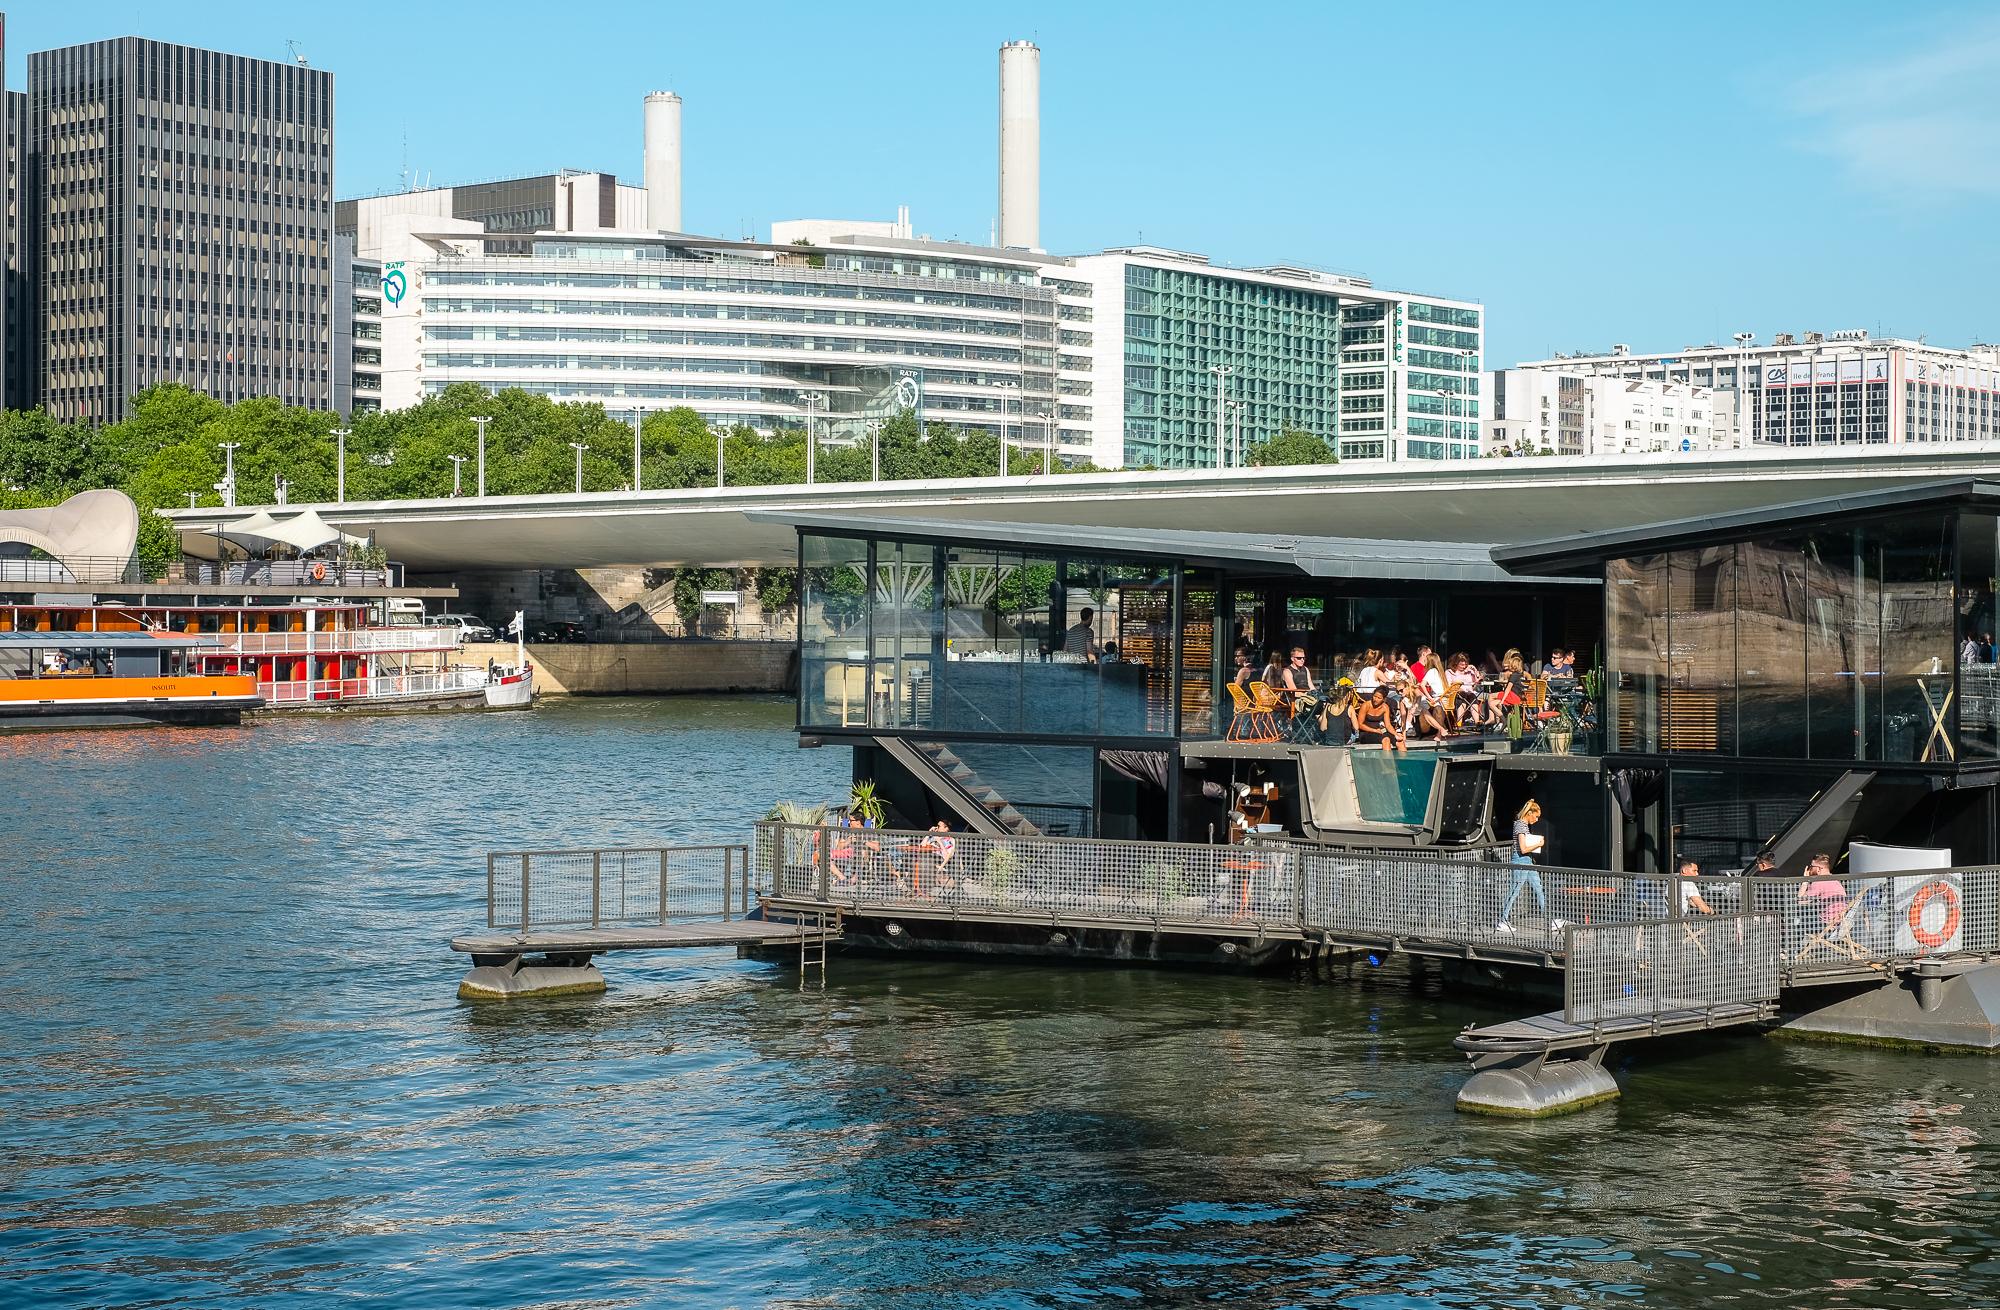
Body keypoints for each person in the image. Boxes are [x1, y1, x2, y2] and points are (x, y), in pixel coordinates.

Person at [1496, 799, 1566, 934]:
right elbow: (1523, 848)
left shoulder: (1523, 825)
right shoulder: (1521, 825)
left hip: (1527, 861)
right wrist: (1538, 844)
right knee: (1514, 891)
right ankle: (1502, 920)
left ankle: (1549, 920)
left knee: (1539, 889)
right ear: (1529, 813)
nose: (1537, 819)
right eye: (1536, 816)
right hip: (1521, 861)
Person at [1349, 685, 1404, 751]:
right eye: (1374, 696)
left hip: (1380, 732)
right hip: (1366, 733)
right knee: (1386, 740)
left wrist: (1396, 734)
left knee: (1400, 742)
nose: (1375, 699)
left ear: (1384, 699)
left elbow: (1388, 725)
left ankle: (1404, 760)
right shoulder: (1366, 705)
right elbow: (1360, 725)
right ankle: (1388, 760)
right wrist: (1375, 731)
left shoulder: (1385, 707)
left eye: (1379, 698)